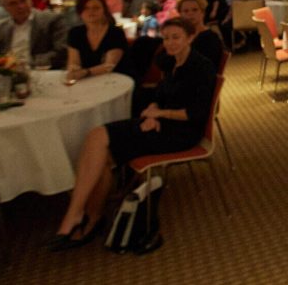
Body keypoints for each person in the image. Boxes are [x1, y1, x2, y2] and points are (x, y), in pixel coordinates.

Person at [47, 17, 216, 251]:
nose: (170, 42)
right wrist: (152, 113)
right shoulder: (169, 61)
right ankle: (89, 218)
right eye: (166, 38)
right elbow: (159, 95)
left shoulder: (201, 67)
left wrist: (160, 114)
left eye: (176, 37)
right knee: (101, 153)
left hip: (181, 133)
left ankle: (77, 217)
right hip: (160, 124)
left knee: (98, 137)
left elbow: (195, 114)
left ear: (190, 37)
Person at [0, 0, 67, 67]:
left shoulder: (51, 20)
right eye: (13, 3)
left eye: (23, 1)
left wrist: (27, 62)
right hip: (8, 70)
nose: (20, 6)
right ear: (4, 7)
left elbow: (62, 50)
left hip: (40, 69)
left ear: (31, 1)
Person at [65, 0, 128, 82]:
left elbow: (109, 66)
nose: (91, 11)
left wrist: (85, 72)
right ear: (80, 12)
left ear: (104, 11)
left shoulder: (115, 32)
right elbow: (74, 62)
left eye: (96, 8)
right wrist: (74, 70)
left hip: (115, 79)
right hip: (86, 80)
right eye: (86, 8)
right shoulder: (75, 32)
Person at [177, 0, 225, 72]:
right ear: (180, 15)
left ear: (203, 13)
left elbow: (208, 65)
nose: (190, 14)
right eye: (186, 11)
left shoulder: (210, 38)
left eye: (195, 10)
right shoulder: (180, 36)